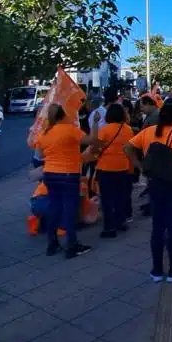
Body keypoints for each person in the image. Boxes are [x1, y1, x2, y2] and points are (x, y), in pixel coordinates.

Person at [126, 98, 172, 282]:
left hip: (155, 184)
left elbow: (127, 147)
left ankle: (156, 270)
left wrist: (139, 166)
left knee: (157, 227)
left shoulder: (148, 132)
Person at [34, 103, 98, 258]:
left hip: (50, 175)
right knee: (69, 210)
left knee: (54, 208)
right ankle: (72, 245)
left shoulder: (44, 133)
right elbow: (91, 140)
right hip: (68, 175)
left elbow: (40, 155)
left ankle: (52, 244)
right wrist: (95, 122)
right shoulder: (70, 130)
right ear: (63, 115)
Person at [95, 103, 135, 238]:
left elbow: (96, 148)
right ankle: (121, 222)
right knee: (120, 196)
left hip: (105, 168)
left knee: (107, 199)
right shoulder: (128, 130)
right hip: (122, 167)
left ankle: (109, 228)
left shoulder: (104, 130)